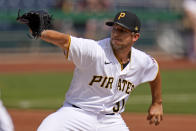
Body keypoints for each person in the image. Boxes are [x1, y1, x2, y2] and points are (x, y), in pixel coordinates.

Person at [33, 10, 163, 130]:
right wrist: (40, 32)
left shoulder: (142, 61)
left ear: (135, 37)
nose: (116, 34)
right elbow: (66, 41)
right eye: (114, 29)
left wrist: (157, 103)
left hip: (111, 121)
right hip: (75, 114)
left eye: (122, 31)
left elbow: (154, 71)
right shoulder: (95, 50)